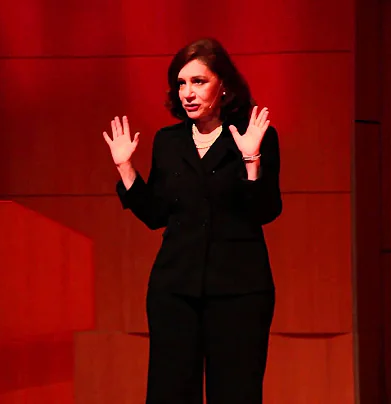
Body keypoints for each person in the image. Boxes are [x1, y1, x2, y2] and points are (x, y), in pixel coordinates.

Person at [102, 37, 282, 404]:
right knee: (170, 393)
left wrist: (252, 161)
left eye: (198, 81)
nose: (187, 92)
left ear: (224, 85)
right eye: (181, 83)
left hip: (239, 291)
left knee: (235, 393)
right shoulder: (169, 142)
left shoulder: (254, 136)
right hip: (175, 289)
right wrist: (126, 169)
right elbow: (155, 215)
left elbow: (265, 211)